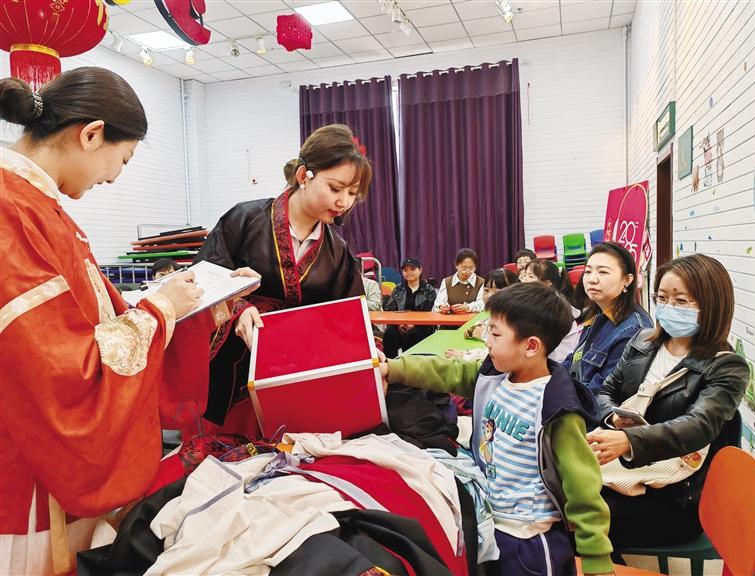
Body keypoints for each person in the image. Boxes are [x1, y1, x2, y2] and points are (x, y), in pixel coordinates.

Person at [0, 68, 206, 573]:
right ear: (91, 135)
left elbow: (90, 319)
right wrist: (162, 310)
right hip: (24, 454)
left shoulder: (36, 203)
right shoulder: (12, 208)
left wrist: (184, 307)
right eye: (123, 159)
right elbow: (58, 365)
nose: (114, 177)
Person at [378, 283, 614, 575]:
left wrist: (596, 557)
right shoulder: (496, 376)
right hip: (492, 526)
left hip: (531, 539)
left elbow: (582, 485)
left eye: (496, 334)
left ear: (531, 346)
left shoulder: (556, 406)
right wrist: (392, 369)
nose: (487, 341)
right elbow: (449, 371)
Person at [194, 124, 371, 431]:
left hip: (295, 372)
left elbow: (351, 317)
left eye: (352, 193)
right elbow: (201, 280)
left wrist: (374, 358)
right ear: (304, 176)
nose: (344, 202)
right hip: (232, 363)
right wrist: (237, 308)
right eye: (335, 188)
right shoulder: (244, 219)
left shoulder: (338, 251)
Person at [587, 254, 748, 551]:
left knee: (574, 516)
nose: (668, 307)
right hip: (621, 474)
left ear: (711, 304)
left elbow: (698, 426)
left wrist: (629, 441)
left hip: (674, 498)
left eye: (681, 301)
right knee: (556, 500)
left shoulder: (726, 366)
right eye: (661, 298)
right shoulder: (642, 342)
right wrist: (613, 417)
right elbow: (604, 392)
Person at [562, 242, 653, 394]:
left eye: (603, 272)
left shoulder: (633, 330)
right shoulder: (596, 313)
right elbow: (574, 360)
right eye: (588, 271)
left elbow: (602, 392)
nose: (592, 279)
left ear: (627, 280)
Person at [444, 268, 518, 361]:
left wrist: (465, 357)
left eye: (498, 291)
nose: (489, 296)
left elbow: (501, 354)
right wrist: (466, 353)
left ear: (515, 292)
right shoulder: (495, 317)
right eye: (486, 290)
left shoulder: (514, 321)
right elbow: (489, 350)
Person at [519, 259, 581, 362]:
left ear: (547, 283)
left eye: (530, 276)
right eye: (524, 275)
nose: (524, 280)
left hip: (559, 363)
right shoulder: (536, 301)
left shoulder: (554, 306)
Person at [382, 257, 437, 358]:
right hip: (399, 325)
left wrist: (414, 324)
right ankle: (391, 364)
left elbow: (429, 313)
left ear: (420, 270)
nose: (409, 272)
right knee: (389, 334)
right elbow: (390, 310)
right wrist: (399, 323)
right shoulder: (398, 289)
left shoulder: (429, 290)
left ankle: (408, 365)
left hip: (422, 326)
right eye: (405, 270)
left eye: (412, 269)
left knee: (412, 336)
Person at [433, 248, 485, 314]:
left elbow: (482, 304)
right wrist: (442, 307)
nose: (467, 272)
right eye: (464, 268)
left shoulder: (481, 282)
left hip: (473, 319)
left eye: (471, 268)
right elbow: (438, 303)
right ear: (456, 265)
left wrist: (467, 307)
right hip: (450, 319)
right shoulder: (447, 282)